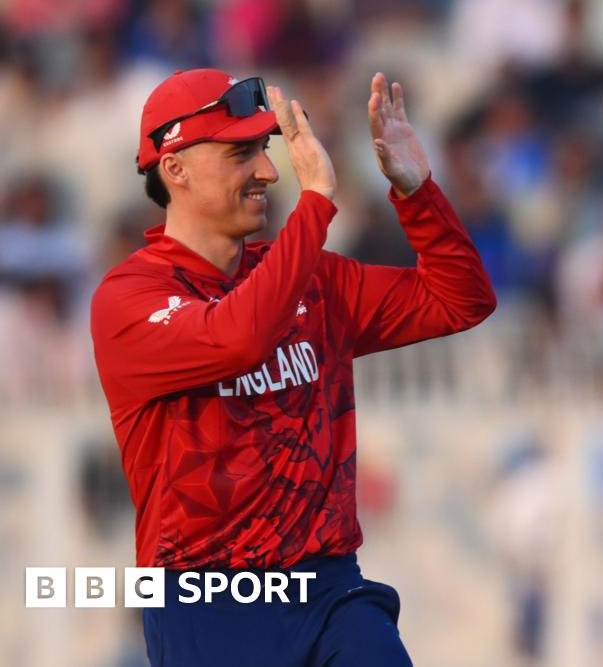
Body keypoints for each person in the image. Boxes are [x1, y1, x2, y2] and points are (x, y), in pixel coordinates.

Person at [90, 68, 496, 666]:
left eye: (264, 148)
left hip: (330, 587)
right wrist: (316, 204)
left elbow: (461, 300)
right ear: (174, 168)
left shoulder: (311, 278)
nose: (268, 171)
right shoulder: (128, 298)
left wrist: (417, 193)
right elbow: (239, 339)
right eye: (240, 154)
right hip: (206, 600)